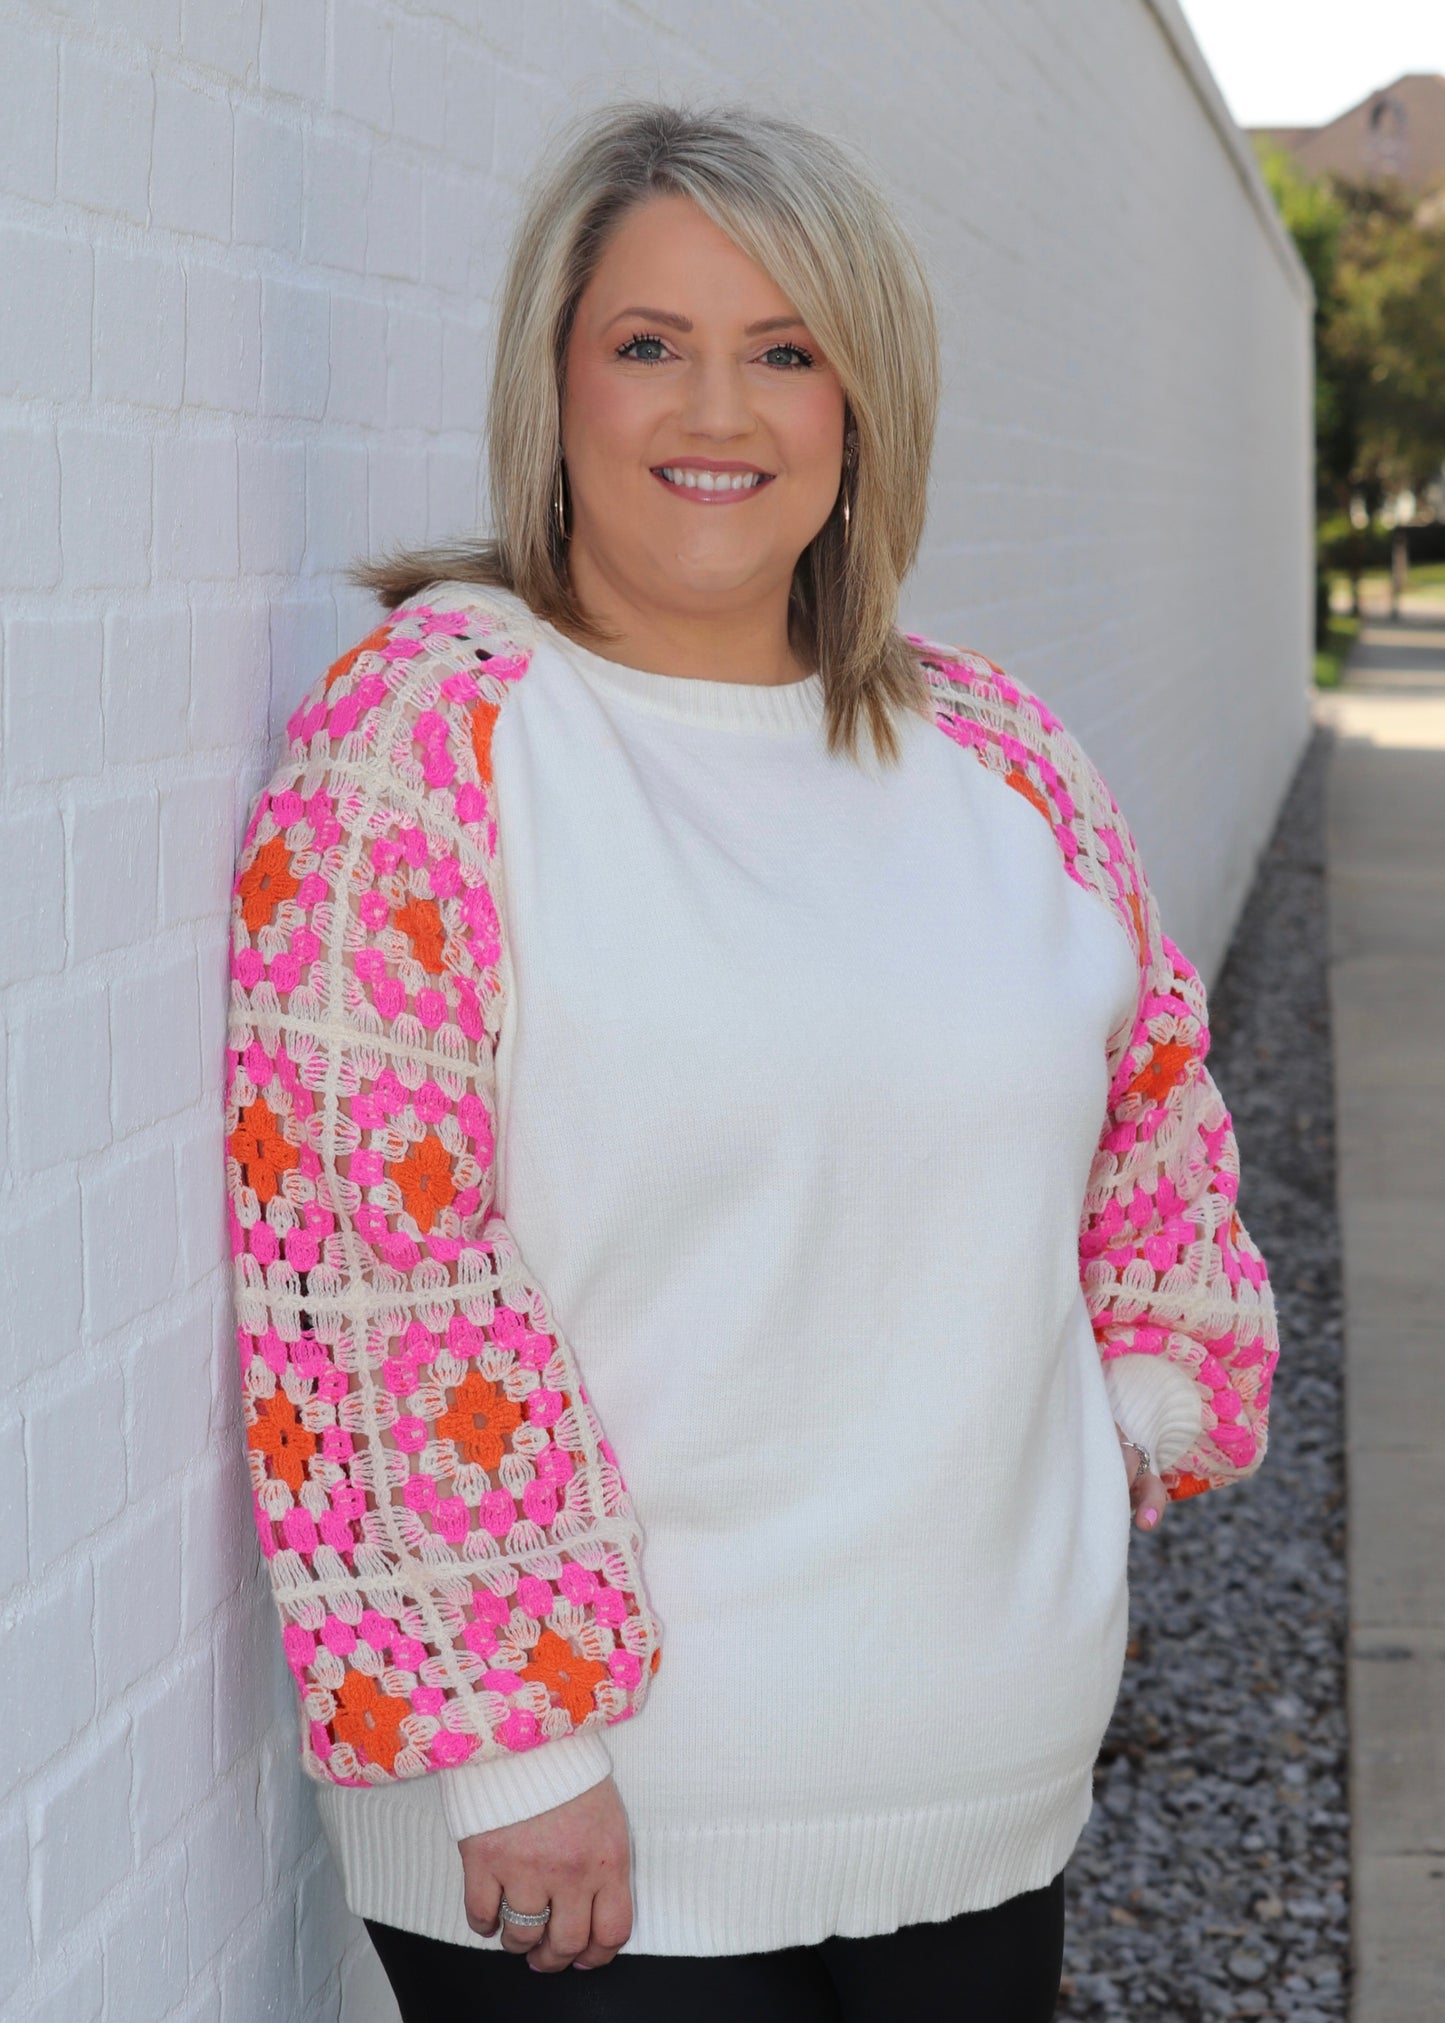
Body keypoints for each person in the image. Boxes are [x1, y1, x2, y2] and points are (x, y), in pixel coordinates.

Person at [223, 101, 1278, 2021]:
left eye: (784, 349)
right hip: (588, 1818)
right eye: (650, 344)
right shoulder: (434, 735)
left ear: (861, 401)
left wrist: (1131, 1407)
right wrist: (515, 1753)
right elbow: (371, 1263)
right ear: (556, 384)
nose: (718, 410)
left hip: (982, 1774)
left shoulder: (999, 754)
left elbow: (1154, 1107)